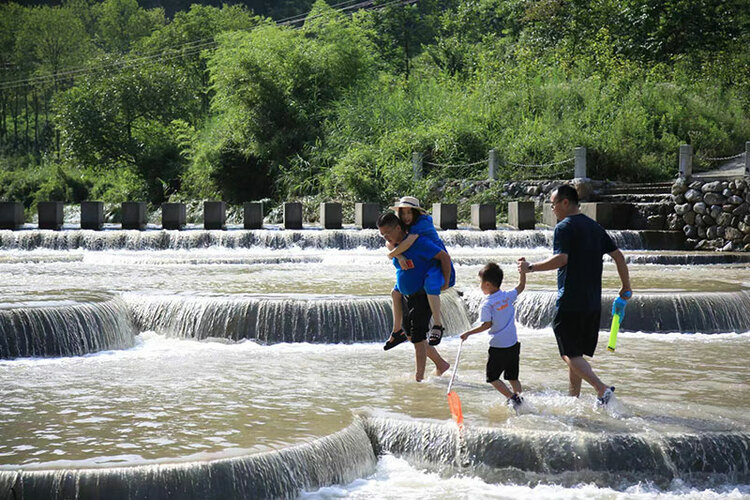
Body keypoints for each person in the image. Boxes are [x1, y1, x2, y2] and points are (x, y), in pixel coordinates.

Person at [517, 184, 632, 406]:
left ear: (565, 202)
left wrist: (530, 268)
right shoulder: (595, 227)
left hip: (570, 300)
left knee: (568, 353)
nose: (553, 209)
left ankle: (601, 388)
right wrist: (625, 286)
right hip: (592, 303)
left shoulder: (564, 227)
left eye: (553, 205)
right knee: (576, 353)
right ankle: (574, 400)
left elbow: (562, 259)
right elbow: (618, 256)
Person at [377, 212, 452, 382]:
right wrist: (399, 254)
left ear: (398, 228)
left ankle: (419, 380)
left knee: (418, 337)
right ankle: (441, 364)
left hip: (422, 296)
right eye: (383, 235)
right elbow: (391, 248)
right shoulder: (396, 247)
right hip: (405, 295)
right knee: (410, 335)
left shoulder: (419, 243)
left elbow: (444, 257)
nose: (386, 238)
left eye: (388, 233)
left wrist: (446, 281)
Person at [386, 196, 456, 346]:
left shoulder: (421, 224)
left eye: (409, 213)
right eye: (403, 213)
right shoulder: (403, 225)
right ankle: (397, 330)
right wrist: (399, 256)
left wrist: (393, 254)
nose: (406, 217)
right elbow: (388, 241)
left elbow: (408, 242)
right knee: (395, 292)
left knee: (430, 282)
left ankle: (438, 325)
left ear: (416, 213)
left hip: (436, 263)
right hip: (423, 262)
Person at [460, 262, 527, 412]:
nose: (480, 286)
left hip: (498, 347)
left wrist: (467, 333)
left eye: (480, 283)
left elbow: (486, 325)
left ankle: (512, 398)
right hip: (513, 343)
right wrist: (522, 272)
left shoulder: (487, 304)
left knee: (492, 378)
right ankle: (521, 400)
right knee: (513, 377)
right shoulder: (507, 296)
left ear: (488, 284)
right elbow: (521, 286)